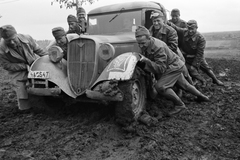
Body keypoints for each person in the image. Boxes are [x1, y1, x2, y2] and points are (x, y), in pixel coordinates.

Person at [135, 25, 209, 115]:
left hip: (173, 66)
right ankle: (202, 96)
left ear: (149, 38)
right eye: (138, 43)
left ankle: (180, 105)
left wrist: (147, 61)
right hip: (173, 64)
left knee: (160, 87)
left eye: (143, 43)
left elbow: (161, 68)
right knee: (184, 85)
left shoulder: (158, 47)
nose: (141, 46)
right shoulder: (148, 43)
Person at [0, 25, 47, 111]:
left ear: (16, 35)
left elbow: (39, 50)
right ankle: (26, 108)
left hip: (33, 64)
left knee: (44, 80)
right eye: (8, 41)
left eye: (13, 39)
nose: (12, 43)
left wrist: (49, 58)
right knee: (20, 87)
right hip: (17, 70)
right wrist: (23, 66)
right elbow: (6, 65)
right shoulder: (1, 49)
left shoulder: (27, 38)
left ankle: (44, 102)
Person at [167, 20, 224, 86]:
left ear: (196, 28)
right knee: (187, 70)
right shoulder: (183, 32)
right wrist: (165, 20)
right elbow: (175, 27)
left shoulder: (201, 39)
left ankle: (215, 80)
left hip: (197, 57)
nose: (190, 31)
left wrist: (194, 65)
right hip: (186, 57)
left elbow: (200, 53)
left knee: (206, 69)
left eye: (192, 29)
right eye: (189, 28)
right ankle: (198, 81)